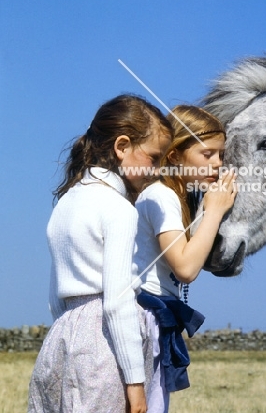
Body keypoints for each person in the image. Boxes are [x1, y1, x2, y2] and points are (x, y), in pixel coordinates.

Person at [28, 94, 173, 413]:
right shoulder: (118, 209)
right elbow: (119, 300)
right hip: (104, 347)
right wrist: (135, 383)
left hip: (61, 339)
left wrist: (70, 332)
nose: (157, 169)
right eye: (153, 157)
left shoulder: (65, 203)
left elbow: (55, 298)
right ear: (122, 147)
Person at [133, 105, 237, 413]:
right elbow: (186, 267)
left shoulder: (166, 195)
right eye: (207, 155)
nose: (217, 164)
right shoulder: (161, 195)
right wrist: (214, 211)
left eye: (221, 156)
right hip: (147, 318)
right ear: (175, 156)